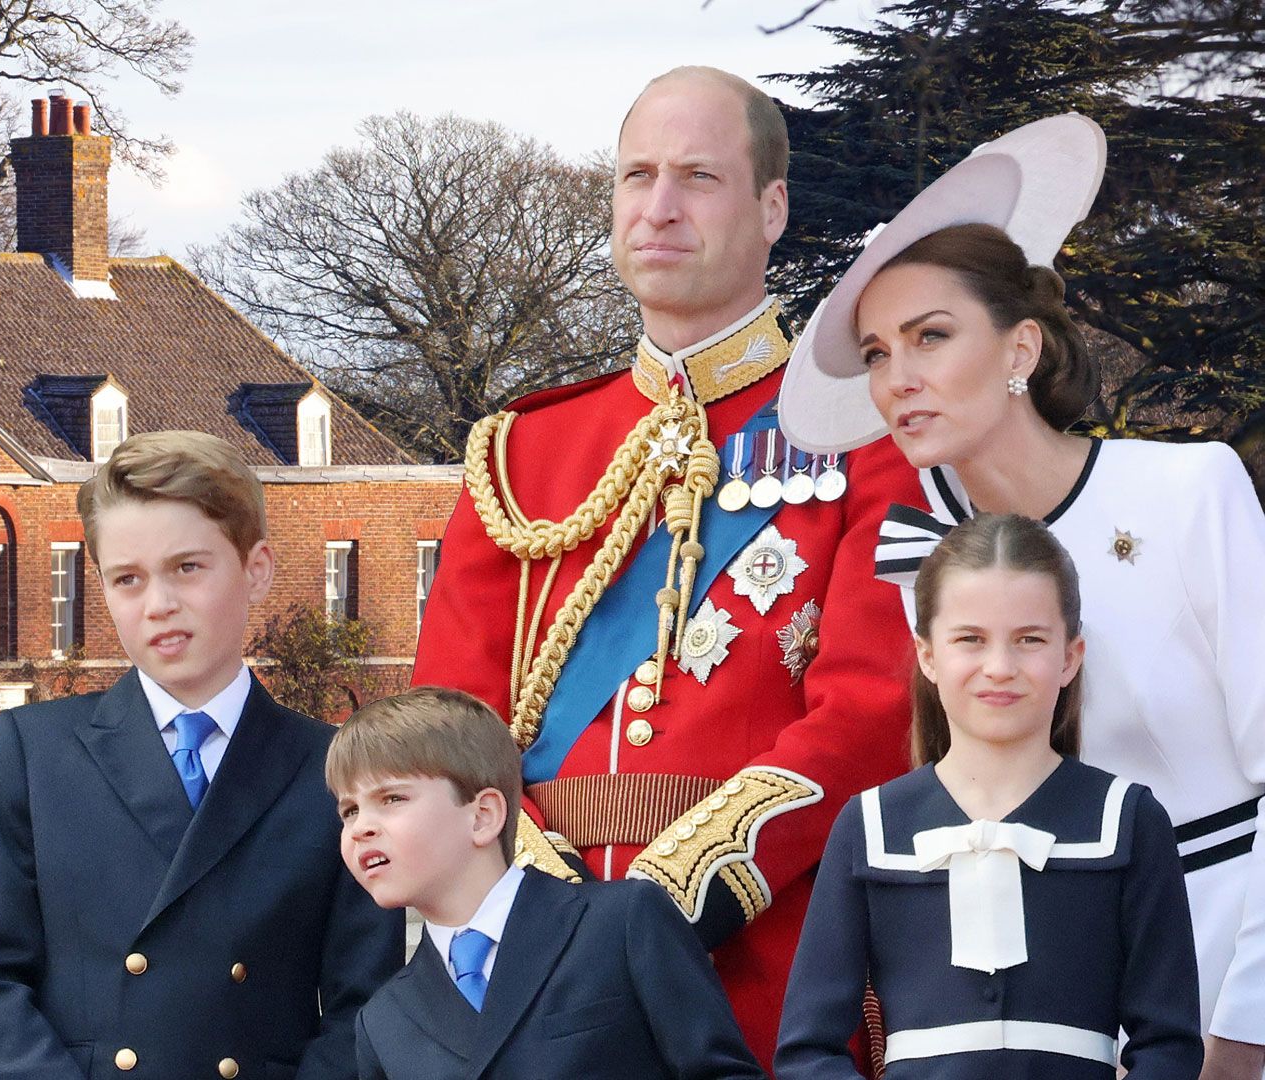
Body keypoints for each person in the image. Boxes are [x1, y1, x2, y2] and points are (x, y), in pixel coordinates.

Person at [411, 64, 922, 1068]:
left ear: (773, 207)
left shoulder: (869, 434)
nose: (659, 208)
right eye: (636, 176)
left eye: (698, 176)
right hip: (538, 970)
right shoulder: (521, 453)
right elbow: (442, 727)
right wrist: (545, 913)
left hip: (773, 959)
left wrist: (677, 896)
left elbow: (877, 711)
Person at [778, 112, 1265, 1079]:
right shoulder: (914, 548)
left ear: (1021, 348)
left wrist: (1243, 1031)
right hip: (1030, 1025)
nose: (899, 379)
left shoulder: (1189, 490)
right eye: (877, 353)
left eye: (931, 337)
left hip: (1221, 980)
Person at [0, 430, 405, 1080]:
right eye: (127, 579)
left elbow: (367, 1007)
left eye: (187, 567)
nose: (159, 605)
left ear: (257, 569)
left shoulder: (335, 770)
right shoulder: (32, 753)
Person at [775, 512, 1202, 1078]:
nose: (1000, 668)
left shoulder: (1129, 820)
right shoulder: (871, 825)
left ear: (1070, 657)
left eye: (1029, 640)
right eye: (970, 640)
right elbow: (808, 1050)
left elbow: (1169, 1045)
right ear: (928, 655)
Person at [328, 686, 766, 1080]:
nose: (361, 827)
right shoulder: (383, 1021)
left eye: (392, 799)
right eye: (349, 811)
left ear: (482, 816)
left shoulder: (623, 923)